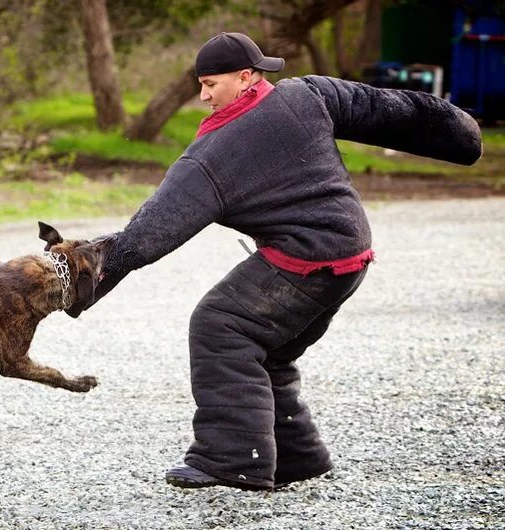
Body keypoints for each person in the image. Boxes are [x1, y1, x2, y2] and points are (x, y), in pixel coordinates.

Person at [76, 32, 483, 490]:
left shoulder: (213, 155)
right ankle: (299, 457)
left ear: (246, 77)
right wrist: (462, 135)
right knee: (270, 349)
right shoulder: (307, 94)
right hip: (351, 251)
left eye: (212, 84)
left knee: (222, 326)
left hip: (306, 259)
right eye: (201, 85)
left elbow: (146, 236)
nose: (204, 95)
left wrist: (77, 284)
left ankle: (232, 460)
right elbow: (386, 110)